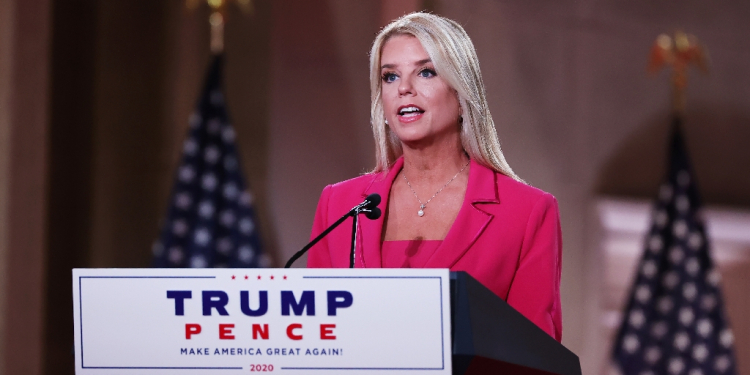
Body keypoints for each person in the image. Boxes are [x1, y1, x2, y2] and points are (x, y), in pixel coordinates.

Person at [306, 12, 563, 342]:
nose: (404, 89)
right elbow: (316, 336)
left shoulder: (528, 213)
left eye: (425, 72)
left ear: (461, 93)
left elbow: (535, 354)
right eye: (390, 77)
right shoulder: (339, 205)